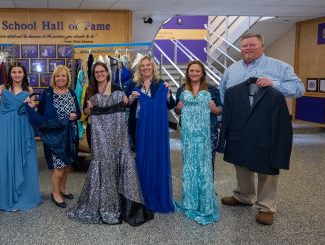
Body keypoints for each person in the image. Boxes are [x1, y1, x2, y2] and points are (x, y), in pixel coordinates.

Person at [218, 33, 305, 225]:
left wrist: (274, 83)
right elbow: (223, 92)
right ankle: (243, 196)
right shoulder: (232, 70)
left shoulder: (279, 67)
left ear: (262, 46)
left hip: (267, 124)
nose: (247, 49)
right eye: (244, 46)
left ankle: (266, 206)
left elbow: (299, 89)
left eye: (252, 45)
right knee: (240, 161)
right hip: (239, 122)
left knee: (267, 162)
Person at [67, 62, 152, 226]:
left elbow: (126, 104)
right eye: (96, 72)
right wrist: (89, 108)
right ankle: (103, 202)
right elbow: (85, 112)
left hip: (116, 134)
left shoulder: (116, 88)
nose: (99, 74)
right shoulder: (90, 90)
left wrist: (127, 100)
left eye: (101, 71)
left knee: (116, 163)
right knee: (102, 163)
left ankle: (119, 202)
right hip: (97, 132)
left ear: (107, 73)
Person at [25, 65, 80, 208]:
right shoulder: (48, 94)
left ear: (67, 78)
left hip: (70, 134)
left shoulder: (72, 93)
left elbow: (79, 113)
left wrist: (76, 116)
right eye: (58, 76)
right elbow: (41, 114)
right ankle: (55, 193)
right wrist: (32, 108)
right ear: (54, 78)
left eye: (63, 76)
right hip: (54, 137)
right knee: (58, 167)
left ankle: (63, 188)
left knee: (68, 164)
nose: (60, 78)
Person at [173, 61, 220, 225]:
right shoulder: (181, 89)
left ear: (202, 73)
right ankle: (191, 199)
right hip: (188, 134)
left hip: (206, 132)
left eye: (197, 70)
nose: (194, 73)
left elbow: (220, 108)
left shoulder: (212, 89)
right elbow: (177, 110)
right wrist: (178, 108)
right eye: (191, 70)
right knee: (190, 165)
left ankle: (205, 198)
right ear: (188, 72)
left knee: (205, 164)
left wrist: (215, 109)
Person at [127, 56, 175, 213]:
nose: (145, 68)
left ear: (153, 68)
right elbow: (126, 104)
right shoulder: (133, 85)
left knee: (157, 159)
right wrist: (131, 98)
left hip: (157, 130)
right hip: (140, 129)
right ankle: (143, 196)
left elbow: (170, 104)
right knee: (142, 159)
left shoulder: (161, 84)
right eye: (143, 66)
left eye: (148, 65)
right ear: (139, 69)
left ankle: (157, 194)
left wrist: (168, 95)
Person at [0, 62, 41, 211]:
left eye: (20, 72)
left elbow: (33, 110)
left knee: (24, 159)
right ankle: (7, 197)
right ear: (10, 74)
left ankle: (25, 195)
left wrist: (33, 106)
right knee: (7, 158)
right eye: (14, 72)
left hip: (23, 128)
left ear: (24, 74)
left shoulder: (29, 90)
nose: (17, 75)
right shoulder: (3, 88)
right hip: (6, 128)